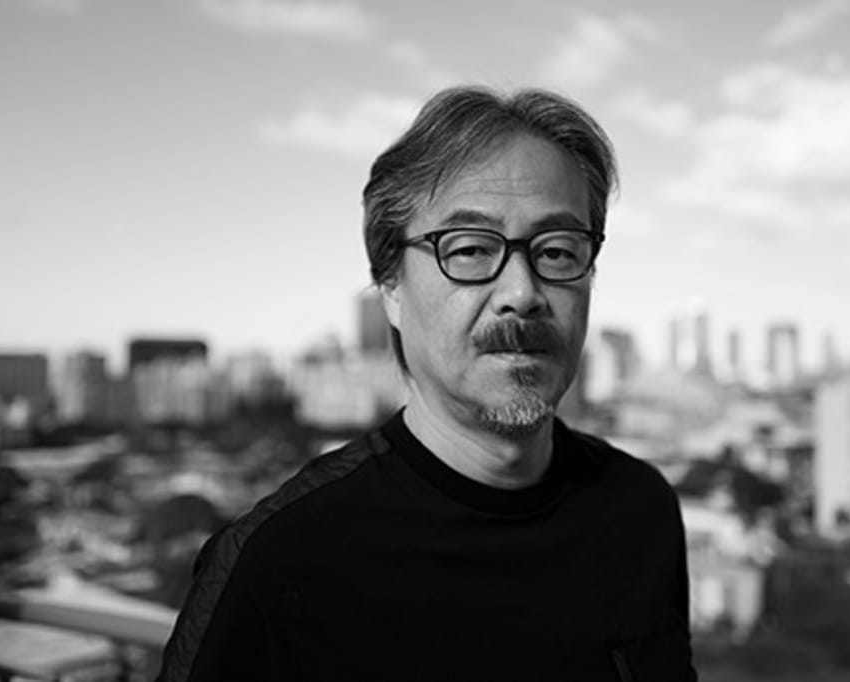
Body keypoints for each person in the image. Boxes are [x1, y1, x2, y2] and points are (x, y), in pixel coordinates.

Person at [156, 85, 697, 682]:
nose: (522, 293)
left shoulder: (639, 511)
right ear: (390, 286)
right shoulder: (277, 562)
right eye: (469, 250)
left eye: (558, 251)